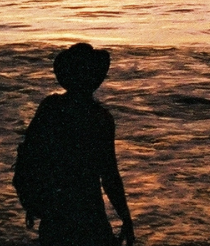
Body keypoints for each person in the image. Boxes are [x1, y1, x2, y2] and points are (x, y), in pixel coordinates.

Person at [15, 43, 135, 246]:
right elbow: (109, 175)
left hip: (54, 210)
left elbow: (29, 155)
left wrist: (32, 201)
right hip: (88, 211)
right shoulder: (100, 119)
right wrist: (126, 218)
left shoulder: (50, 108)